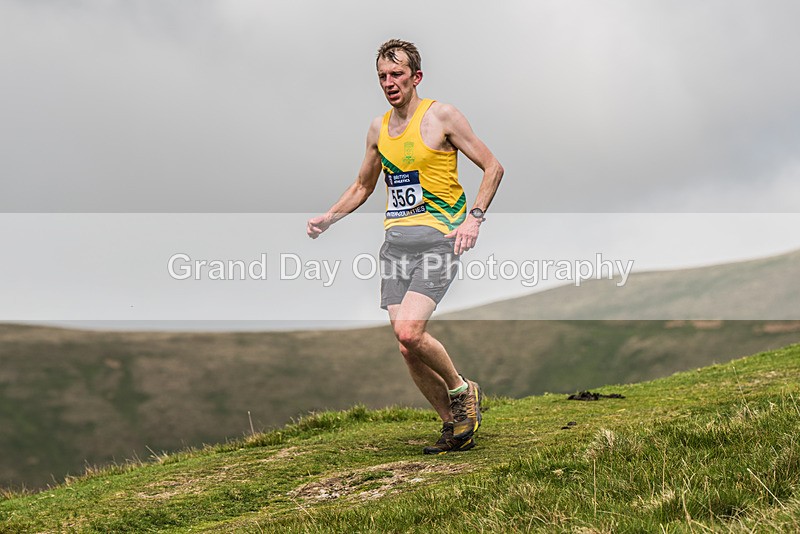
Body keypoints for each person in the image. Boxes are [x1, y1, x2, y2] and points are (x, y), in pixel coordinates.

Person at [307, 39, 504, 454]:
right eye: (382, 76)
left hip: (439, 240)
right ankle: (454, 425)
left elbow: (493, 167)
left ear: (416, 77)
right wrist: (329, 217)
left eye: (396, 74)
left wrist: (474, 218)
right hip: (396, 246)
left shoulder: (442, 117)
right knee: (406, 347)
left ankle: (462, 390)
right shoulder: (378, 129)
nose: (389, 83)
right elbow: (363, 185)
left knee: (409, 331)